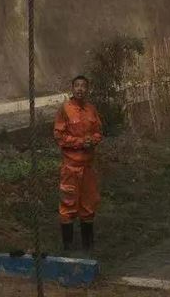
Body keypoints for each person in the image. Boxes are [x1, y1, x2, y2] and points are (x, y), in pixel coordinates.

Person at [54, 76, 103, 252]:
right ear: (72, 88)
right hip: (70, 167)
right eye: (77, 86)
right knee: (68, 203)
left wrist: (93, 140)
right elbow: (59, 136)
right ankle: (67, 246)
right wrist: (80, 142)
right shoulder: (65, 110)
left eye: (83, 86)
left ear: (87, 89)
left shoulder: (91, 109)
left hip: (88, 167)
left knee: (88, 204)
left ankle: (88, 245)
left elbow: (98, 131)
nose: (80, 89)